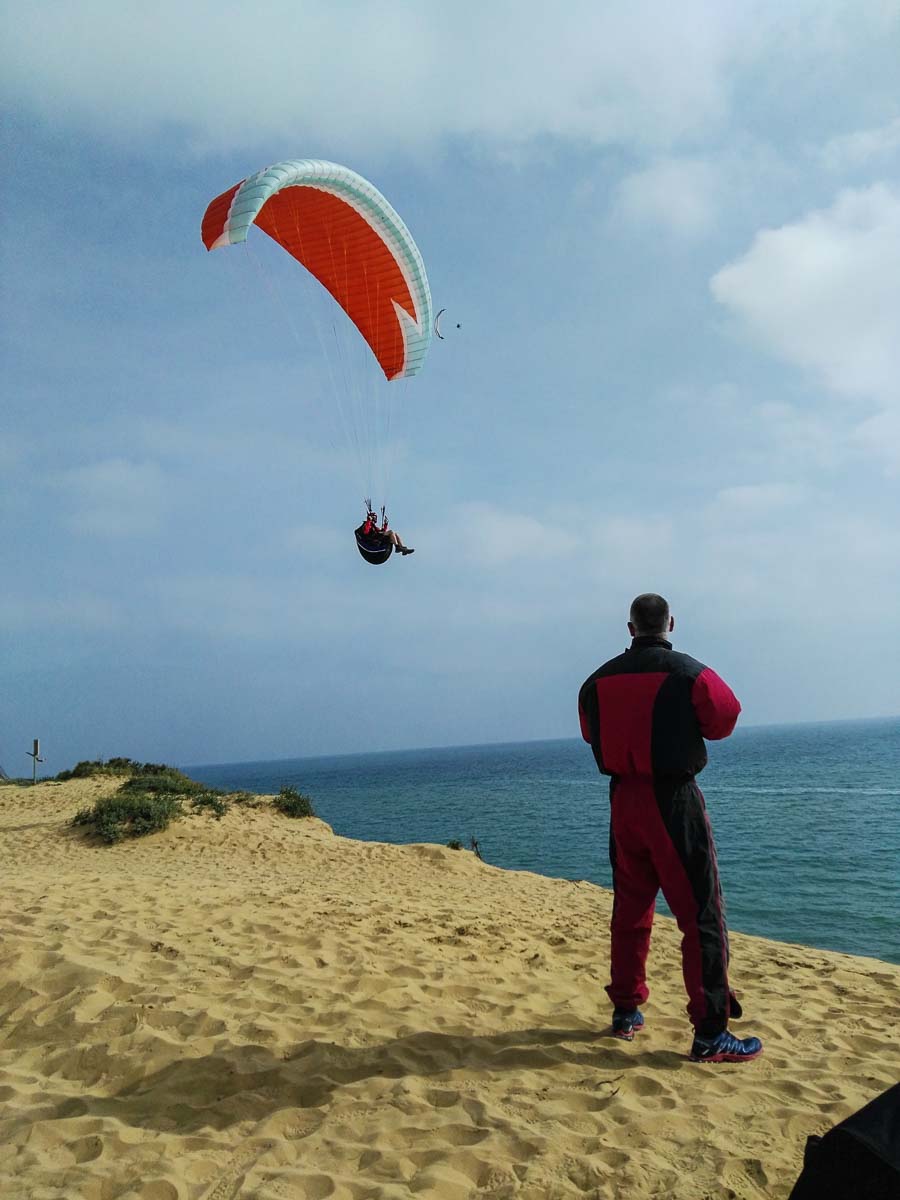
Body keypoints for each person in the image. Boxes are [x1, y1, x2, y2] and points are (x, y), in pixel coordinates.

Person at [577, 593, 762, 1064]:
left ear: (630, 628)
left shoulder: (595, 681)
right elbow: (724, 719)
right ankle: (710, 1031)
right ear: (671, 624)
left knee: (630, 908)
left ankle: (625, 1010)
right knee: (701, 914)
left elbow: (590, 732)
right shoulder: (690, 674)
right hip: (673, 800)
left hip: (623, 801)